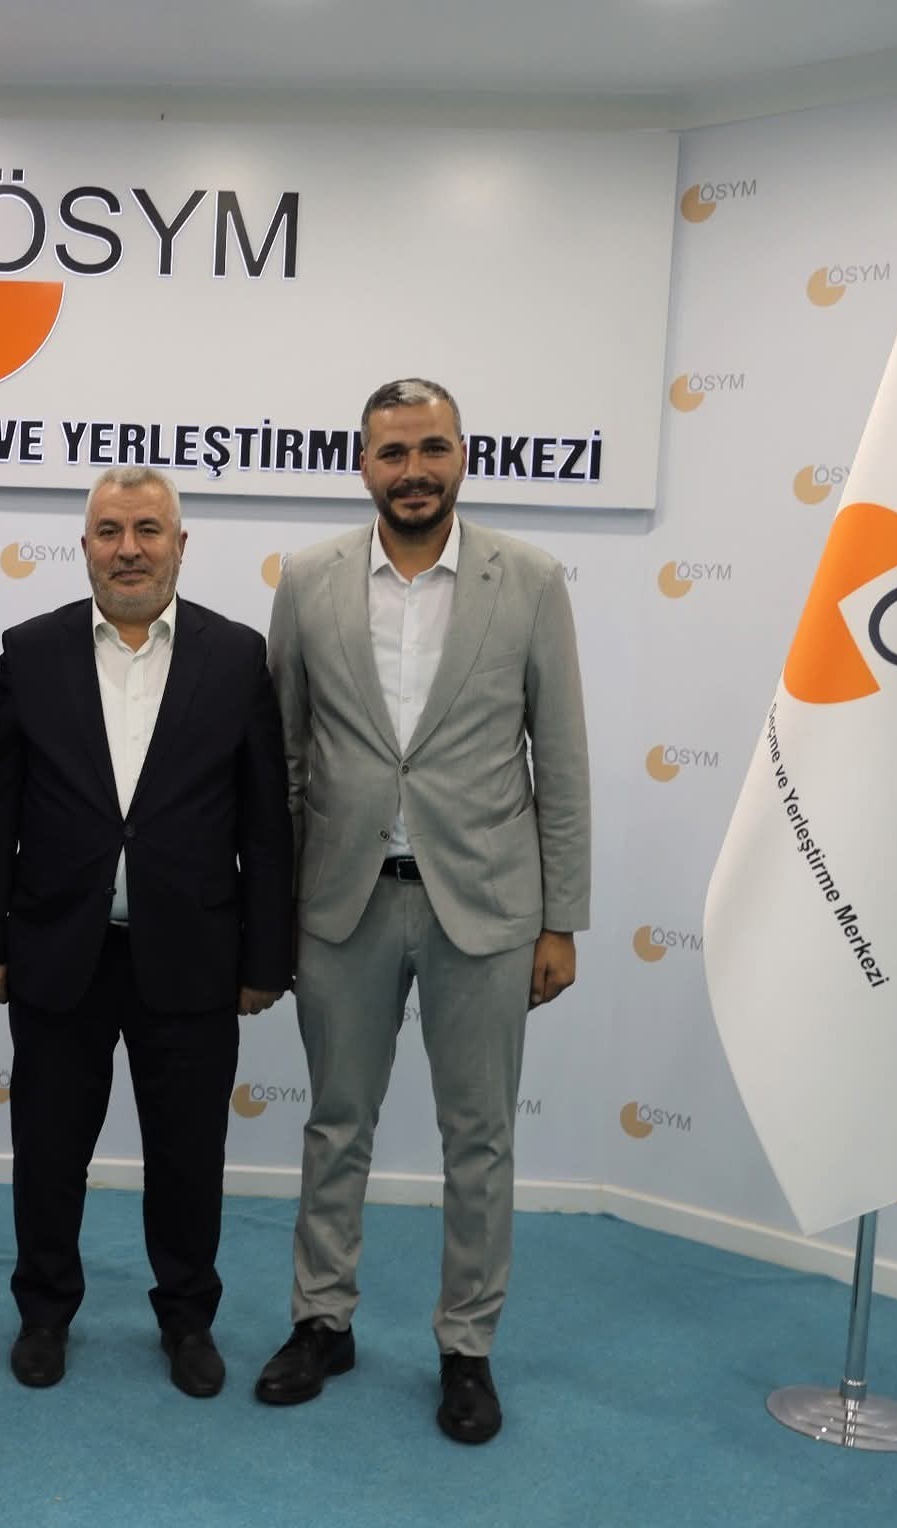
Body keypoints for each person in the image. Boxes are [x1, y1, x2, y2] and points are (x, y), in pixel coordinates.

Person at [258, 378, 589, 1443]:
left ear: (462, 457)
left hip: (484, 909)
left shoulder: (528, 581)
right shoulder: (307, 580)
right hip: (341, 903)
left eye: (431, 449)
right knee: (334, 1123)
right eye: (392, 452)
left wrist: (561, 919)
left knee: (478, 1138)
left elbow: (560, 758)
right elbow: (285, 756)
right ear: (363, 465)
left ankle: (466, 1346)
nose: (413, 471)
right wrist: (274, 906)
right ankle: (322, 1320)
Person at [0, 467, 292, 1398]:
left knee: (188, 1157)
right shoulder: (31, 651)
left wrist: (266, 957)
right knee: (48, 1151)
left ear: (180, 546)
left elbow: (266, 822)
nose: (129, 549)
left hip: (194, 956)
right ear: (85, 547)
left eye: (148, 530)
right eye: (110, 531)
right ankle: (43, 1314)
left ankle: (187, 1320)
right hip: (58, 950)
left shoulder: (237, 655)